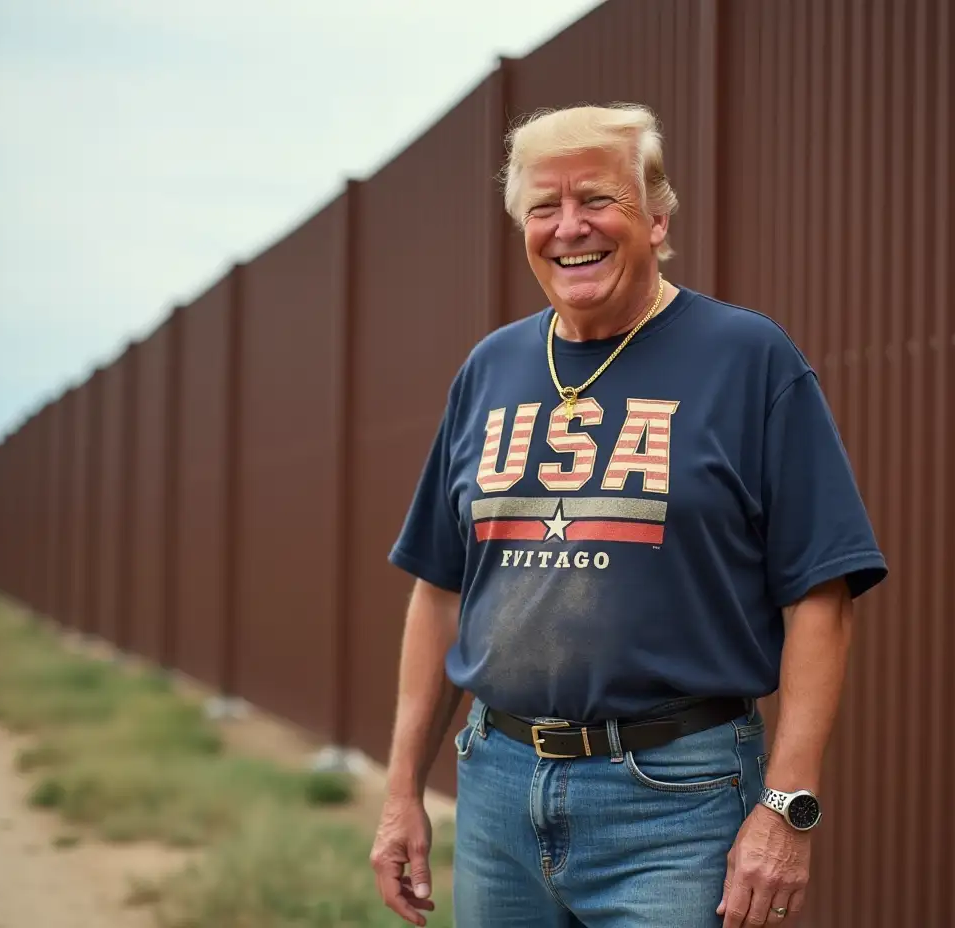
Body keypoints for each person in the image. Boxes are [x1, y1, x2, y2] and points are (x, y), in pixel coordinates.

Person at [369, 103, 888, 928]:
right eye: (544, 207)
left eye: (597, 200)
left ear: (657, 218)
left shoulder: (748, 360)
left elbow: (821, 596)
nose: (570, 227)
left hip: (678, 803)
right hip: (498, 786)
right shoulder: (490, 368)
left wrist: (786, 806)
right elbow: (438, 591)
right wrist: (402, 792)